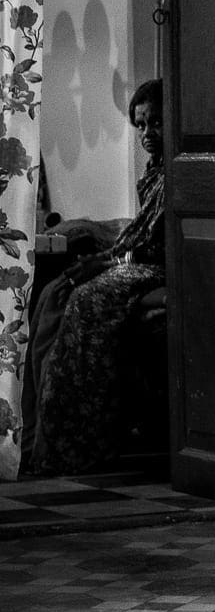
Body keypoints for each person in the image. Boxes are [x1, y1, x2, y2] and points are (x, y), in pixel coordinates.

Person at [24, 79, 166, 476]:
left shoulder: (178, 172)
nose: (147, 134)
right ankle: (38, 436)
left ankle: (79, 441)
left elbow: (154, 243)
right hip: (136, 259)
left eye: (156, 122)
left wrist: (107, 264)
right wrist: (102, 258)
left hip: (158, 265)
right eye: (140, 125)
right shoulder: (154, 171)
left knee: (87, 301)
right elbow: (136, 232)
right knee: (54, 291)